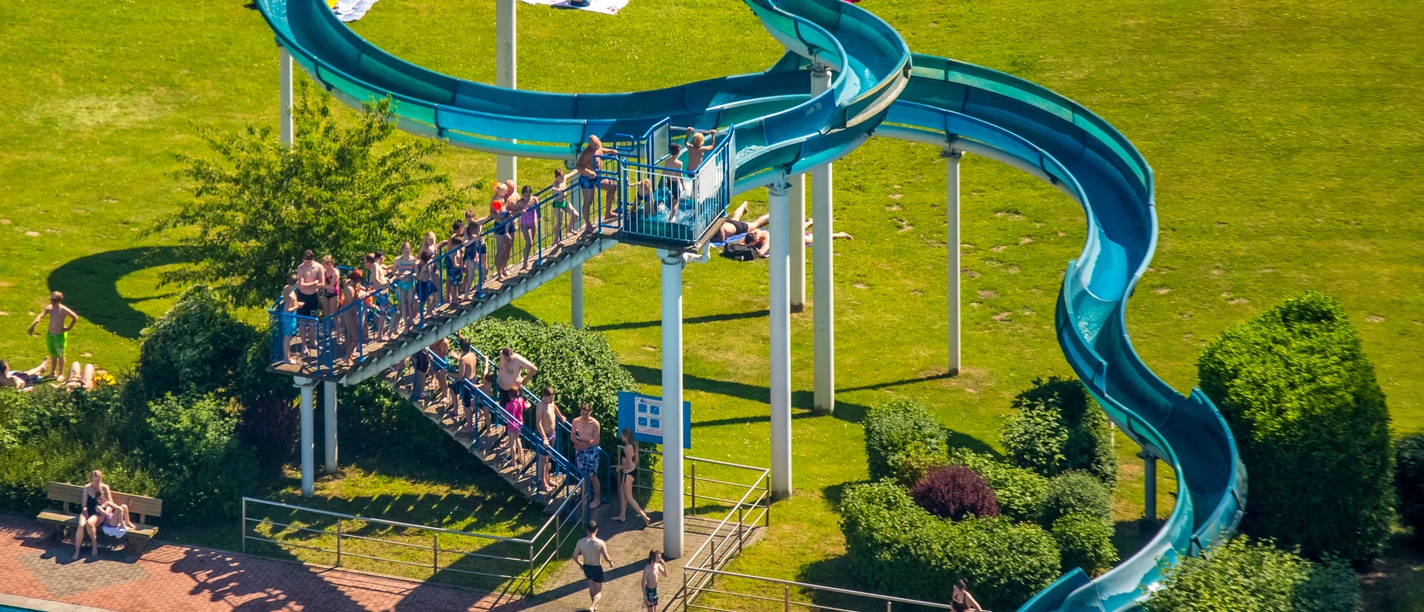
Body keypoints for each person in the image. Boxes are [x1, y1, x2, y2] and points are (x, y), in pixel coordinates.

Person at [574, 136, 621, 233]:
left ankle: (608, 212)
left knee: (612, 187)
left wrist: (611, 151)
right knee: (588, 202)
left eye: (597, 145)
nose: (596, 148)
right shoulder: (586, 153)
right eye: (594, 146)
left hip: (598, 177)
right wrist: (588, 172)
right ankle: (588, 224)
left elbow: (601, 150)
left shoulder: (598, 145)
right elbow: (578, 166)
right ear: (589, 145)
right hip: (587, 179)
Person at [27, 291, 78, 378]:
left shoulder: (63, 310)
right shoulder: (50, 308)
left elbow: (74, 317)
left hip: (59, 335)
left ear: (58, 301)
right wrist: (33, 325)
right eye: (51, 300)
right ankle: (53, 372)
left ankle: (61, 374)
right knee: (53, 354)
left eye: (53, 301)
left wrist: (68, 328)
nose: (51, 302)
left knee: (60, 354)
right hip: (51, 334)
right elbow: (40, 315)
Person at [534, 387, 568, 495]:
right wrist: (544, 438)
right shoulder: (541, 406)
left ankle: (547, 478)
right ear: (544, 397)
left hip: (552, 433)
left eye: (553, 397)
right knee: (543, 460)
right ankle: (543, 483)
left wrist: (561, 416)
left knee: (548, 458)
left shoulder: (551, 402)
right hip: (545, 435)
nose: (552, 400)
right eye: (549, 398)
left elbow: (554, 407)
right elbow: (538, 423)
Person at [573, 521, 614, 611]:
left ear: (587, 530)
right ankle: (592, 607)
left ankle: (594, 604)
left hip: (587, 567)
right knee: (598, 590)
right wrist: (610, 562)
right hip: (596, 567)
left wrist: (580, 564)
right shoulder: (600, 543)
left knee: (591, 586)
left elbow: (574, 556)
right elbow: (606, 557)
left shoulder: (580, 542)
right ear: (596, 530)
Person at [615, 428, 651, 526]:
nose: (620, 437)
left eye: (622, 435)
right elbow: (635, 461)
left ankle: (644, 517)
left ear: (625, 437)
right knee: (622, 492)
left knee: (629, 497)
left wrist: (620, 467)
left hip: (628, 474)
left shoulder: (627, 448)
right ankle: (622, 515)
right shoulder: (633, 444)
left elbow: (630, 465)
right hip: (631, 472)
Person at [572, 402, 602, 509]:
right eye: (582, 413)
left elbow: (597, 441)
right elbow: (572, 437)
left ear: (590, 413)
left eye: (586, 414)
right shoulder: (576, 421)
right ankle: (585, 497)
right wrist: (579, 444)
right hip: (581, 451)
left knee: (592, 476)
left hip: (591, 452)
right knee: (583, 476)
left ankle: (597, 499)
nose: (584, 416)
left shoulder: (594, 424)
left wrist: (584, 446)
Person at [75, 469, 112, 558]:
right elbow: (84, 505)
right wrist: (86, 513)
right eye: (94, 480)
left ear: (101, 478)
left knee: (89, 523)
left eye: (98, 480)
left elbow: (110, 504)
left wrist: (105, 514)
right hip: (87, 511)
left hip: (98, 513)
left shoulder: (104, 487)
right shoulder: (87, 488)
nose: (97, 482)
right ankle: (77, 550)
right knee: (80, 525)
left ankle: (94, 544)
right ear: (91, 479)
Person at [454, 336, 484, 434]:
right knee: (472, 399)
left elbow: (460, 376)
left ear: (461, 348)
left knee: (466, 405)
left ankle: (470, 426)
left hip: (467, 383)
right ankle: (480, 411)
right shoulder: (472, 355)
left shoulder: (463, 359)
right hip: (474, 379)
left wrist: (447, 372)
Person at [392, 242, 419, 334]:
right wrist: (399, 275)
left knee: (410, 303)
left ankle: (410, 320)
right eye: (404, 251)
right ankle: (406, 323)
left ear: (410, 251)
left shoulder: (413, 260)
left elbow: (416, 273)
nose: (406, 253)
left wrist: (410, 274)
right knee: (402, 304)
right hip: (401, 283)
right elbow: (394, 272)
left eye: (408, 251)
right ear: (402, 250)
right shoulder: (398, 260)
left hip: (410, 283)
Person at [549, 168, 580, 246]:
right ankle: (556, 240)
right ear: (556, 178)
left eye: (562, 178)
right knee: (559, 222)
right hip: (557, 204)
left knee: (576, 215)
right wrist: (558, 190)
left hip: (564, 202)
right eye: (560, 179)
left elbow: (572, 173)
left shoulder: (564, 178)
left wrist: (579, 169)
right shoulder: (555, 184)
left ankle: (569, 229)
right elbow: (553, 188)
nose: (562, 180)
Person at [514, 185, 540, 269]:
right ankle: (525, 263)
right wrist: (520, 211)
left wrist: (539, 217)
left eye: (528, 195)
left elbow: (538, 208)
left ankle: (526, 259)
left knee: (530, 244)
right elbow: (513, 211)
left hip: (533, 223)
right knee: (529, 243)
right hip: (525, 224)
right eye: (525, 195)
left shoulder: (535, 199)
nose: (527, 197)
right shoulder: (520, 202)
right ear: (522, 195)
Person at [320, 254, 342, 319]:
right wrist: (325, 286)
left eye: (324, 264)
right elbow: (323, 283)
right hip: (325, 293)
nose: (323, 266)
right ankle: (327, 328)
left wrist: (325, 286)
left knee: (334, 313)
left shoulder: (335, 272)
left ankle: (337, 329)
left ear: (329, 264)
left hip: (334, 294)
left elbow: (331, 285)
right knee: (326, 313)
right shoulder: (324, 271)